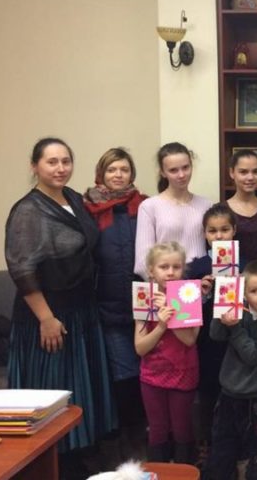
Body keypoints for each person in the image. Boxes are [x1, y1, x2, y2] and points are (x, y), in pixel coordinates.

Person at [5, 137, 115, 471]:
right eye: (51, 162)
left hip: (81, 308)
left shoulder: (73, 198)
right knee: (56, 391)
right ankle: (57, 464)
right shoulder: (28, 210)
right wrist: (46, 319)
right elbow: (22, 270)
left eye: (65, 161)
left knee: (81, 387)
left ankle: (81, 457)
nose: (60, 168)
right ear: (34, 165)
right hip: (49, 315)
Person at [83, 147, 148, 461]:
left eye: (124, 169)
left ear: (131, 173)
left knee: (147, 374)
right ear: (101, 174)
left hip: (146, 308)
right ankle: (128, 444)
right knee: (124, 377)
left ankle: (148, 439)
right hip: (108, 309)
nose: (118, 175)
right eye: (112, 169)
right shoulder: (88, 209)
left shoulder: (145, 206)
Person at [206, 260, 257, 480]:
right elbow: (216, 335)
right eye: (254, 291)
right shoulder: (238, 311)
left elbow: (254, 356)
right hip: (230, 396)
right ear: (244, 293)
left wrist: (235, 328)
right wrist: (221, 308)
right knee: (222, 453)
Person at [185, 204, 243, 467]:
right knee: (208, 391)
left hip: (235, 339)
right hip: (205, 341)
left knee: (234, 392)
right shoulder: (196, 267)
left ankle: (234, 445)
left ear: (234, 230)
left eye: (224, 229)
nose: (219, 236)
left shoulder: (244, 263)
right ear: (204, 234)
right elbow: (185, 309)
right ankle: (206, 443)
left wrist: (241, 282)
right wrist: (201, 291)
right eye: (212, 231)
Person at [134, 242, 200, 464]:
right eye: (164, 267)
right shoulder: (144, 297)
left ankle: (185, 472)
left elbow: (189, 339)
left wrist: (172, 312)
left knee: (182, 429)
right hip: (152, 376)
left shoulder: (189, 295)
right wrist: (161, 326)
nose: (170, 272)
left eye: (176, 267)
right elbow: (140, 347)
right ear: (151, 271)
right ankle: (159, 472)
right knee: (158, 430)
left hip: (183, 373)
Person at [134, 142, 211, 278]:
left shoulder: (206, 205)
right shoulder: (149, 206)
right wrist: (165, 286)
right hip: (166, 282)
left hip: (202, 281)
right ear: (163, 172)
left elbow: (217, 248)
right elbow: (142, 262)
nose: (181, 175)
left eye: (185, 167)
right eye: (173, 170)